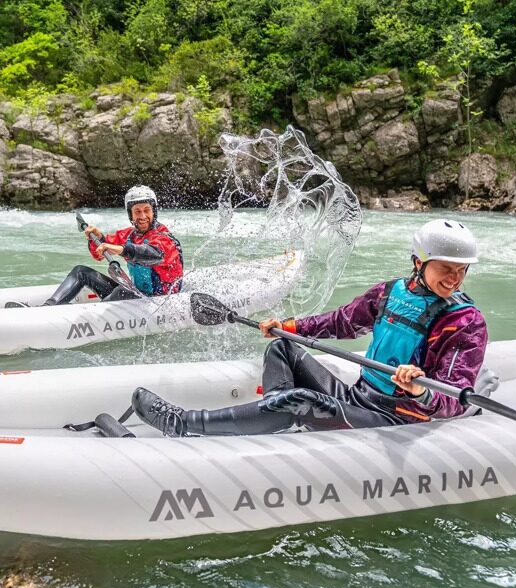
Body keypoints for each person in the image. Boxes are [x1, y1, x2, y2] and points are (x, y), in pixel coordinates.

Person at [132, 218, 488, 437]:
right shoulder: (390, 292)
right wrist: (289, 326)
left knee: (300, 399)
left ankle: (186, 424)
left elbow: (453, 396)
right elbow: (342, 322)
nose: (454, 279)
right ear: (419, 262)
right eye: (446, 268)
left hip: (397, 417)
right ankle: (273, 417)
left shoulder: (465, 323)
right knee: (283, 347)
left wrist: (418, 390)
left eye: (461, 270)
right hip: (359, 397)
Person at [20, 185, 183, 306]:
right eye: (137, 211)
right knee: (80, 272)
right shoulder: (128, 235)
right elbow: (98, 254)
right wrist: (97, 238)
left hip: (159, 301)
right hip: (137, 294)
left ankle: (93, 317)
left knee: (123, 291)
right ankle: (49, 308)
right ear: (130, 215)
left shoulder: (164, 238)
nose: (142, 216)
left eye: (147, 210)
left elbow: (152, 254)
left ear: (154, 211)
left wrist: (122, 249)